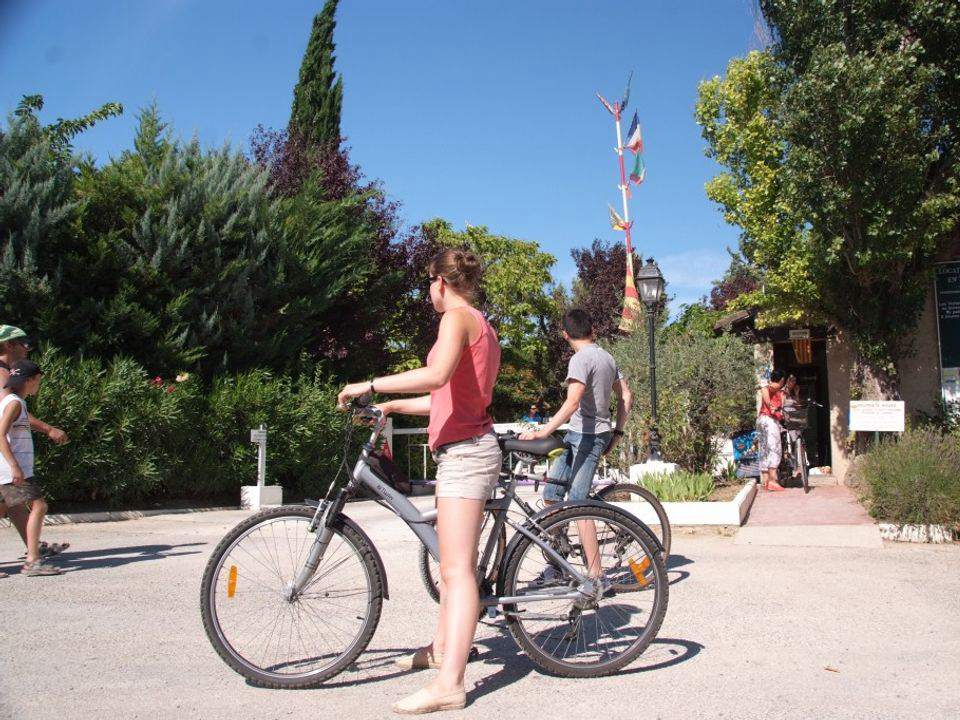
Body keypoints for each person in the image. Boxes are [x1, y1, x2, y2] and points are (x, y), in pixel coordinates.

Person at [337, 248, 501, 715]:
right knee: (451, 566)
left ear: (440, 282)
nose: (428, 292)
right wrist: (392, 408)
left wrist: (369, 385)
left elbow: (435, 376)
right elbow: (447, 399)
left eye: (428, 283)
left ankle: (451, 682)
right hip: (467, 447)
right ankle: (441, 650)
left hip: (466, 454)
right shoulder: (481, 325)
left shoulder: (456, 318)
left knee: (456, 572)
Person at [519, 308, 632, 580]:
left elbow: (572, 403)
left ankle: (596, 577)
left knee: (578, 503)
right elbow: (626, 396)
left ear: (565, 334)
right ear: (592, 330)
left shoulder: (580, 360)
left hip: (589, 437)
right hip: (583, 435)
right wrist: (617, 433)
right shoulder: (606, 356)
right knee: (551, 495)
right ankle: (559, 561)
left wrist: (541, 432)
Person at [0, 325, 70, 558]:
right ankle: (33, 556)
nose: (27, 348)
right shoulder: (2, 375)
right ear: (9, 345)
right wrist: (48, 428)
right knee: (21, 504)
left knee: (13, 504)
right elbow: (10, 412)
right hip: (5, 457)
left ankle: (34, 549)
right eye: (23, 343)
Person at [757, 369, 787, 492]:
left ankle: (765, 480)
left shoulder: (780, 392)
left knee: (764, 449)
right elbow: (764, 389)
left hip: (762, 419)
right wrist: (770, 406)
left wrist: (780, 413)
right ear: (782, 380)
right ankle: (773, 480)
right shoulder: (775, 387)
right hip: (769, 420)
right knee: (774, 448)